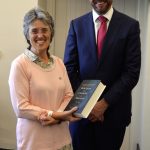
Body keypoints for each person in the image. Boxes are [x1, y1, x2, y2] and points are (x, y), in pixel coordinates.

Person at [64, 0, 141, 150]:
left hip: (114, 114)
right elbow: (69, 68)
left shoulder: (130, 26)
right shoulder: (76, 25)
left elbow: (132, 72)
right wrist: (89, 105)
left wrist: (104, 103)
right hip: (81, 115)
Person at [8, 7, 80, 150]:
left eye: (44, 30)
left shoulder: (59, 62)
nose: (40, 35)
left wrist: (57, 117)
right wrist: (56, 115)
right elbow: (21, 107)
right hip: (34, 141)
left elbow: (69, 95)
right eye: (34, 31)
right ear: (27, 35)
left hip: (62, 138)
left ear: (51, 33)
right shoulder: (19, 64)